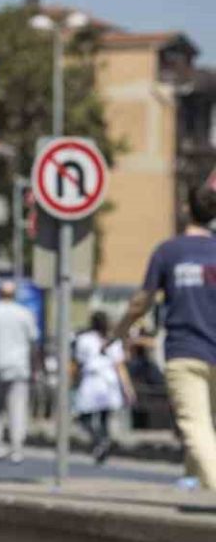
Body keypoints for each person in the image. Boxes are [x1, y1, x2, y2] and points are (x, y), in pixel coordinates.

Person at [113, 183, 216, 488]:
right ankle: (193, 479)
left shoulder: (168, 251)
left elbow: (141, 302)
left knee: (195, 425)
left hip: (185, 351)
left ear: (186, 209)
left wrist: (120, 331)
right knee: (207, 424)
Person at [0, 279, 39, 464]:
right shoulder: (25, 314)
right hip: (19, 367)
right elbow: (33, 342)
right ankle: (17, 448)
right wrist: (35, 367)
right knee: (18, 408)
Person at [73, 311, 133, 463]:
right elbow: (120, 367)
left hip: (93, 381)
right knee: (103, 417)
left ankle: (99, 441)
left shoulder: (84, 339)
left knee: (84, 417)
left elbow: (79, 362)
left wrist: (74, 381)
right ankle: (103, 442)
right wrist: (127, 388)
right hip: (109, 382)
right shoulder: (113, 341)